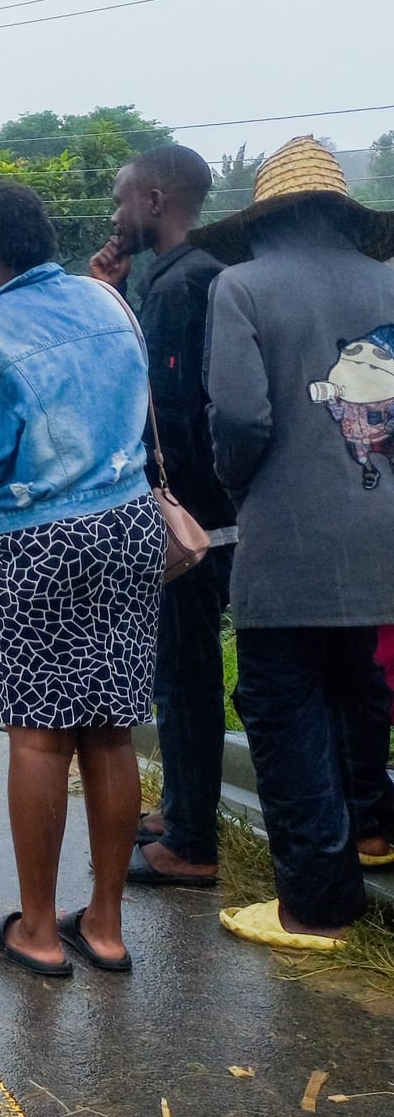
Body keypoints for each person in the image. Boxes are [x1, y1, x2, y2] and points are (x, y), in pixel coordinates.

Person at [0, 180, 162, 977]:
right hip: (130, 527)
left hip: (40, 540)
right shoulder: (106, 304)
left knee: (39, 733)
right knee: (110, 728)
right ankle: (105, 924)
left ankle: (33, 930)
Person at [195, 136, 394, 950]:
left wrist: (246, 486)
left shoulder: (240, 287)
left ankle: (314, 905)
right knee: (359, 696)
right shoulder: (388, 282)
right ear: (342, 214)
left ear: (263, 221)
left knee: (285, 710)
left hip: (287, 539)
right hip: (382, 534)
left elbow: (240, 419)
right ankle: (371, 836)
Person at [89, 146, 236, 890]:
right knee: (179, 672)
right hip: (206, 514)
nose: (115, 217)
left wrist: (158, 500)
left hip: (193, 519)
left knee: (186, 676)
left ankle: (192, 843)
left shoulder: (187, 286)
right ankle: (179, 811)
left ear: (153, 199)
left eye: (121, 200)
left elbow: (169, 414)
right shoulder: (175, 278)